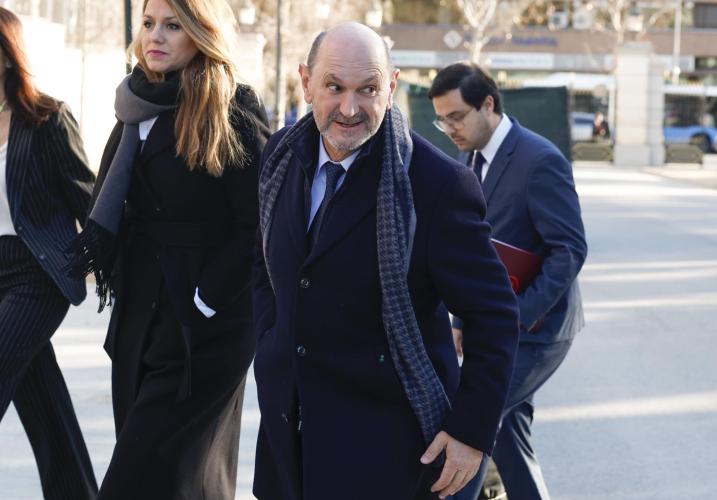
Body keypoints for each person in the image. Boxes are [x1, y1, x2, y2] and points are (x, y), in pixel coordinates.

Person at [253, 22, 519, 500]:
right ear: (306, 82)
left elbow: (495, 315)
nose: (349, 108)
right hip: (287, 443)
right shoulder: (279, 156)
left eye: (368, 89)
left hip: (387, 455)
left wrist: (471, 433)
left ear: (391, 87)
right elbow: (265, 266)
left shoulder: (437, 185)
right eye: (334, 87)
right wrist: (269, 339)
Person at [65, 0, 269, 498]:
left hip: (203, 329)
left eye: (173, 26)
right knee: (181, 483)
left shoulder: (231, 109)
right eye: (149, 23)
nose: (155, 36)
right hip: (139, 318)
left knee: (142, 480)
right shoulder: (136, 102)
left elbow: (261, 224)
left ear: (201, 33)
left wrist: (206, 299)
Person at [429, 62, 587, 500]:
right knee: (509, 437)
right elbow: (475, 254)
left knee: (473, 421)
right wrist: (461, 321)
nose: (449, 129)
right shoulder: (466, 159)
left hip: (538, 330)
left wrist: (516, 317)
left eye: (456, 117)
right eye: (441, 121)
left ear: (488, 104)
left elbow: (569, 249)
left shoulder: (541, 160)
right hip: (495, 327)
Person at [0, 7, 98, 499]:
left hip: (35, 275)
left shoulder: (46, 118)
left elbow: (89, 200)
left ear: (6, 54)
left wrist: (112, 267)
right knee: (42, 399)